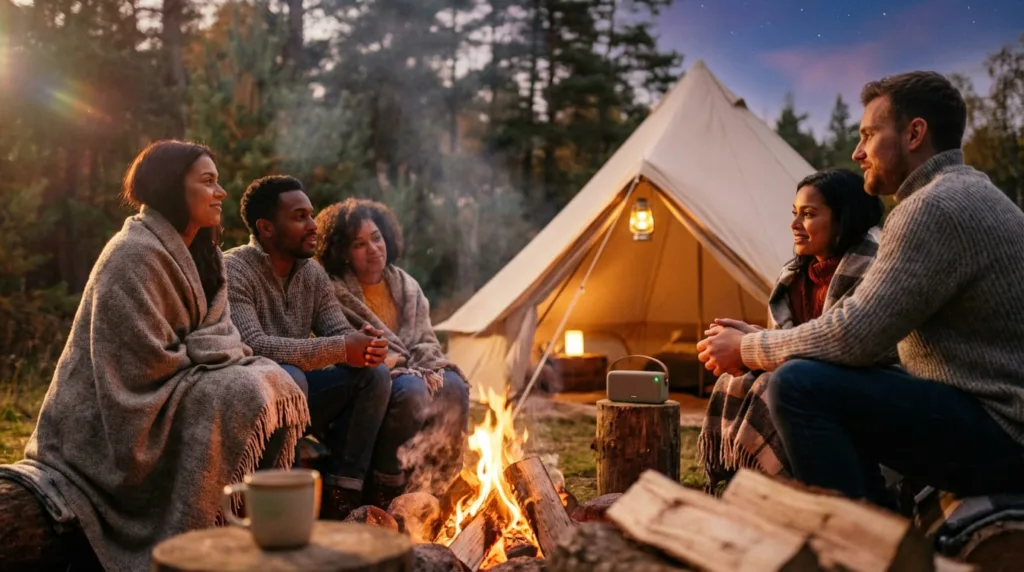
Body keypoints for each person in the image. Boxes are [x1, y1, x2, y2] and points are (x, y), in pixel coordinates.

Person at [697, 71, 1024, 509]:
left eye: (869, 135)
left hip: (1002, 433)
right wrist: (760, 339)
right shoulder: (965, 193)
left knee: (798, 386)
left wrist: (750, 348)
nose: (858, 152)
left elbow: (856, 336)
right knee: (817, 377)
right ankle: (880, 519)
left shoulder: (932, 206)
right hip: (994, 418)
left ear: (914, 133)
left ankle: (861, 542)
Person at [0, 141, 309, 571]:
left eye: (218, 181)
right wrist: (209, 354)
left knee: (272, 380)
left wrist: (208, 352)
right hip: (120, 414)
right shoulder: (131, 254)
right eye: (207, 182)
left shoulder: (205, 255)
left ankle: (249, 528)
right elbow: (140, 363)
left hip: (182, 376)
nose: (220, 192)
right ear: (169, 187)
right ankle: (196, 536)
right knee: (243, 386)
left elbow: (221, 334)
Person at [697, 168, 885, 492]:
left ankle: (781, 490)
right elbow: (799, 341)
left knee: (771, 387)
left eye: (808, 214)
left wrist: (749, 345)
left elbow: (836, 345)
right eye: (795, 213)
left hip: (867, 388)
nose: (794, 225)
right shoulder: (794, 275)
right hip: (809, 374)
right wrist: (752, 335)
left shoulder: (874, 272)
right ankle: (740, 485)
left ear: (844, 219)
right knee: (736, 380)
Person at [223, 175, 392, 519]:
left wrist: (366, 345)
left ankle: (342, 495)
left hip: (301, 393)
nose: (313, 225)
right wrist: (342, 347)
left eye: (311, 215)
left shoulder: (312, 274)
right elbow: (253, 345)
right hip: (251, 399)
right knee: (288, 378)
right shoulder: (233, 269)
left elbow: (338, 331)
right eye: (300, 217)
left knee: (375, 375)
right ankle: (274, 503)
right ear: (267, 228)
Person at [314, 197, 471, 506]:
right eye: (359, 244)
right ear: (343, 253)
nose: (373, 248)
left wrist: (425, 364)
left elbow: (425, 339)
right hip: (372, 376)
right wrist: (399, 363)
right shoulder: (334, 292)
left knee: (454, 386)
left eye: (376, 238)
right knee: (411, 389)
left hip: (414, 365)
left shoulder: (406, 285)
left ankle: (441, 482)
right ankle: (387, 482)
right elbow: (344, 342)